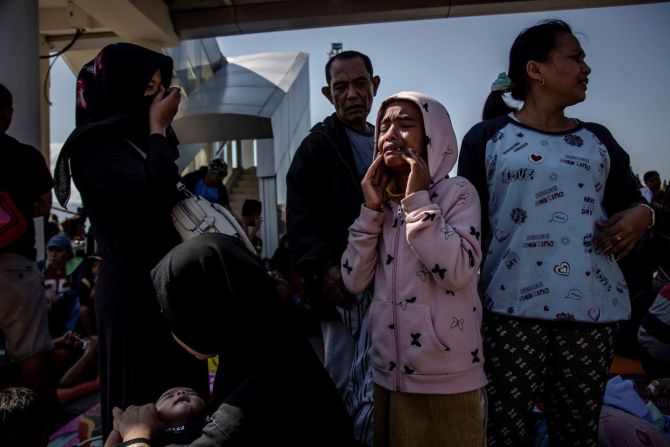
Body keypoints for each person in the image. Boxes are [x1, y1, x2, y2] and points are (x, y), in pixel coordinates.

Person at [457, 20, 655, 446]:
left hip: (592, 315)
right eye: (575, 57)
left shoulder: (598, 140)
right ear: (536, 69)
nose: (586, 68)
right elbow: (466, 231)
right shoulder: (487, 138)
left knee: (576, 433)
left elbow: (633, 203)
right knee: (502, 430)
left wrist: (645, 213)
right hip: (508, 315)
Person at [53, 42, 208, 436]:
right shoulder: (92, 146)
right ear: (118, 88)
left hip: (170, 289)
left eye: (160, 87)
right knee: (140, 407)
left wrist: (157, 134)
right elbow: (151, 193)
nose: (157, 96)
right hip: (134, 295)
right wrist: (157, 128)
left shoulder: (138, 142)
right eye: (146, 87)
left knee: (183, 405)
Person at [341, 92, 487, 446]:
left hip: (447, 378)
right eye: (384, 125)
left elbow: (456, 271)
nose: (390, 133)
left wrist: (418, 202)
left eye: (406, 125)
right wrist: (370, 211)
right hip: (388, 378)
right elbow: (354, 280)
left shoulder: (458, 193)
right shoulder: (381, 205)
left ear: (432, 138)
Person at [112, 234, 355, 446]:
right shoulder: (273, 353)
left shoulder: (254, 395)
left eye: (174, 315)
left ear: (209, 312)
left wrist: (136, 436)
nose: (173, 331)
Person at [286, 50, 380, 446]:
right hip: (341, 289)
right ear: (329, 94)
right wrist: (324, 271)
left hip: (389, 284)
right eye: (341, 86)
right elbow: (301, 223)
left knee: (387, 375)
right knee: (342, 378)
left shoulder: (386, 139)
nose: (352, 93)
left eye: (360, 83)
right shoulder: (317, 147)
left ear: (375, 86)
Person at [0, 82, 56, 413]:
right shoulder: (24, 155)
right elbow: (44, 206)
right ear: (7, 115)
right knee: (31, 350)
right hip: (15, 267)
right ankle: (42, 423)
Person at [104, 386, 207, 446]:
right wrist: (117, 432)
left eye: (192, 394)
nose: (181, 393)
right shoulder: (153, 432)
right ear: (153, 413)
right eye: (168, 396)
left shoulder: (211, 425)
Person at [38, 234, 85, 337]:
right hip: (46, 304)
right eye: (50, 250)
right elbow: (31, 287)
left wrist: (61, 296)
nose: (53, 254)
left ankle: (69, 332)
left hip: (68, 304)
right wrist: (44, 292)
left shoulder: (77, 265)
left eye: (58, 251)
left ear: (68, 253)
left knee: (80, 302)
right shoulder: (40, 266)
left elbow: (81, 288)